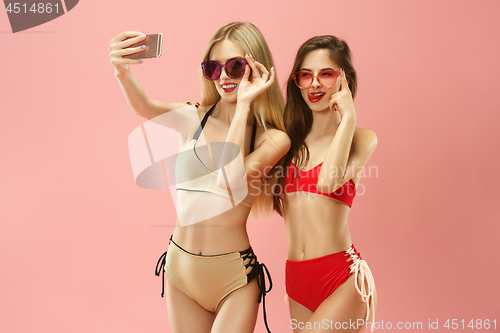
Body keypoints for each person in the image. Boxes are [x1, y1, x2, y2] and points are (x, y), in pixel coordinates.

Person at [109, 22, 290, 333]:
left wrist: (245, 106)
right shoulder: (192, 116)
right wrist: (121, 71)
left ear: (257, 68)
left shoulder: (272, 139)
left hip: (233, 276)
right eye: (213, 67)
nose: (223, 77)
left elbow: (228, 181)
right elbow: (144, 107)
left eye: (235, 67)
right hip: (181, 269)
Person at [273, 35, 378, 332]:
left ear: (345, 79)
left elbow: (329, 181)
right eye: (306, 75)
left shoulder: (361, 138)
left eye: (326, 74)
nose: (315, 84)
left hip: (342, 277)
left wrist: (347, 119)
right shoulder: (286, 141)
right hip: (296, 279)